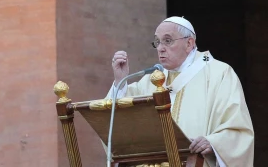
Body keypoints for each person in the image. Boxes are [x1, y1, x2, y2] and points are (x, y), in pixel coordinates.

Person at [106, 16, 254, 167]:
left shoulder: (219, 74)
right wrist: (120, 81)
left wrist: (214, 143)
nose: (160, 48)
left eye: (168, 40)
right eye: (157, 42)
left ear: (189, 43)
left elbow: (238, 130)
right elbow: (116, 122)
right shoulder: (152, 80)